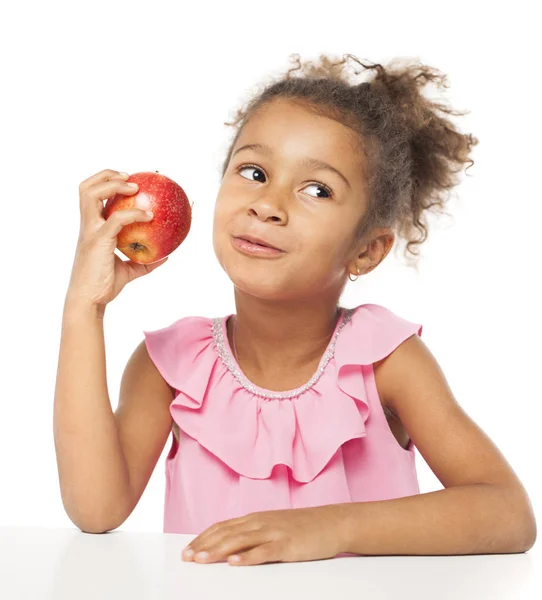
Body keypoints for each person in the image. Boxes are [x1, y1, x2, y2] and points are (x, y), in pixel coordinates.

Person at [53, 53, 537, 566]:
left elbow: (508, 513)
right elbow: (96, 509)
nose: (268, 204)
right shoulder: (172, 365)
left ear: (366, 250)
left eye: (317, 189)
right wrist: (84, 308)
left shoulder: (386, 362)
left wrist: (329, 527)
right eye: (254, 171)